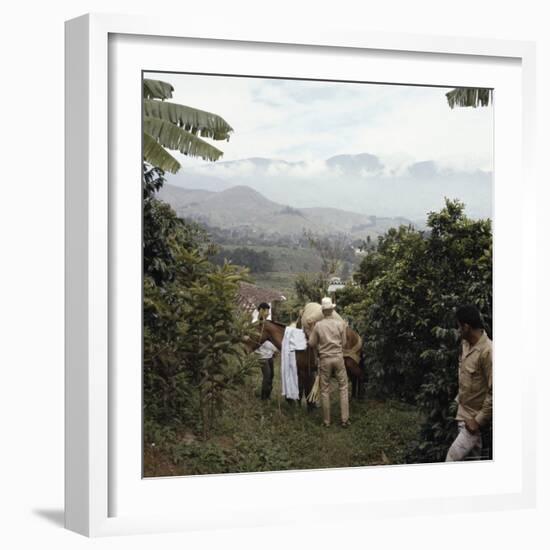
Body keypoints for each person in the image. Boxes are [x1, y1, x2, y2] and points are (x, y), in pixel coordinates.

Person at [446, 305, 493, 462]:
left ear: (466, 327)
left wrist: (478, 420)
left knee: (451, 459)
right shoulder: (465, 344)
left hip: (473, 421)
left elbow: (495, 391)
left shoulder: (488, 352)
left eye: (459, 326)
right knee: (472, 464)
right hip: (462, 415)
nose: (458, 330)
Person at [308, 297, 350, 428]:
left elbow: (311, 343)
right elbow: (343, 343)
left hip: (325, 360)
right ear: (332, 310)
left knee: (325, 390)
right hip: (338, 358)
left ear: (322, 311)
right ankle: (345, 420)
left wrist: (310, 330)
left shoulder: (318, 326)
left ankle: (326, 422)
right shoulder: (340, 324)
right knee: (343, 387)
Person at [254, 303, 278, 400]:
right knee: (267, 375)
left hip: (269, 354)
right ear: (261, 310)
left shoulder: (267, 323)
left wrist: (274, 350)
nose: (268, 313)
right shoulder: (256, 324)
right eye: (267, 311)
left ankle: (268, 395)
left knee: (271, 375)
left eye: (269, 311)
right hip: (261, 355)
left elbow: (271, 339)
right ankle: (263, 398)